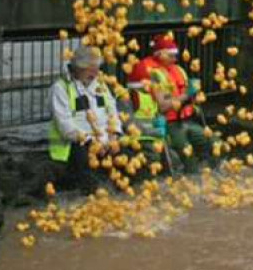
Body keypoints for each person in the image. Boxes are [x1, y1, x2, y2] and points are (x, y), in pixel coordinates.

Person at [129, 34, 209, 172]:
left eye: (175, 55)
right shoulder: (150, 72)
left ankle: (214, 174)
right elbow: (163, 106)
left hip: (187, 120)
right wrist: (186, 95)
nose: (175, 59)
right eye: (171, 55)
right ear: (159, 54)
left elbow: (188, 96)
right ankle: (193, 176)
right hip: (168, 123)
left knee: (213, 143)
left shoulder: (178, 69)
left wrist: (195, 96)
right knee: (187, 154)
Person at [49, 45, 122, 189]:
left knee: (124, 157)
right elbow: (66, 126)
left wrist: (114, 134)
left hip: (104, 141)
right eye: (91, 69)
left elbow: (112, 111)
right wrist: (92, 142)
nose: (95, 73)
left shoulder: (100, 84)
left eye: (97, 68)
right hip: (75, 145)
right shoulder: (60, 88)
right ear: (78, 67)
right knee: (86, 167)